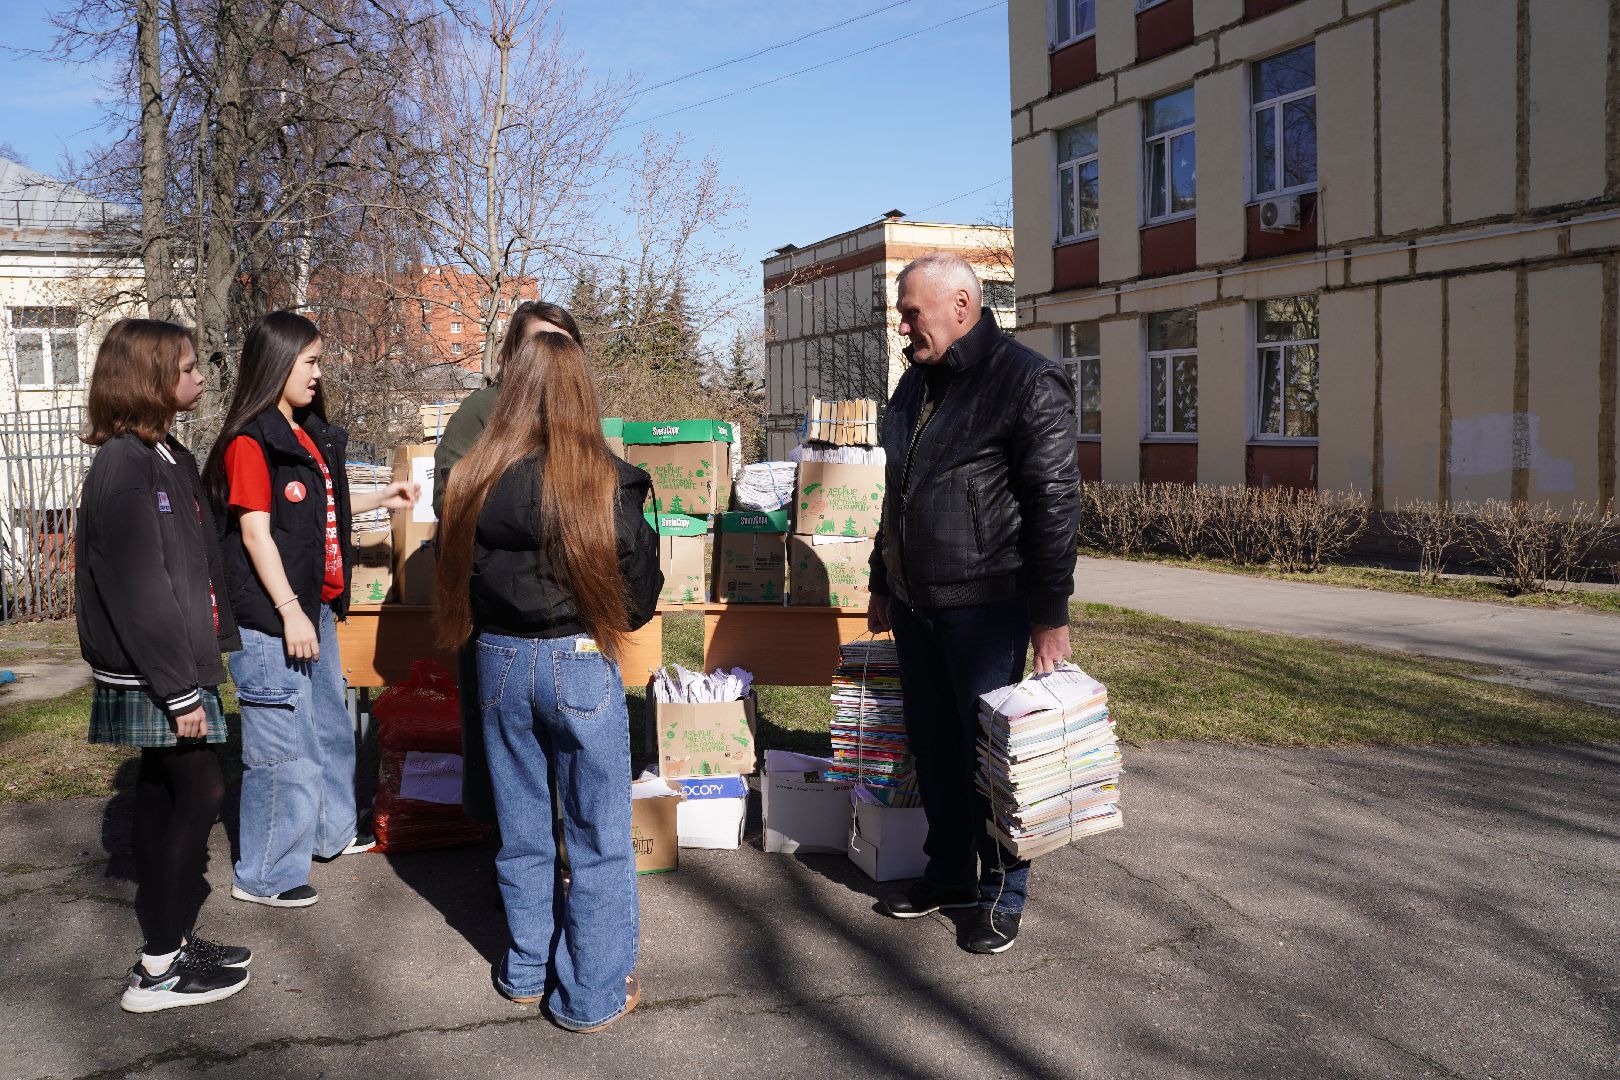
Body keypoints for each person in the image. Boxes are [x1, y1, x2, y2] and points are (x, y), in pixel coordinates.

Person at [434, 331, 660, 1033]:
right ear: (579, 392)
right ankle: (590, 993)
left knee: (524, 830)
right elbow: (639, 596)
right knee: (597, 836)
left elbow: (462, 580)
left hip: (498, 660)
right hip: (577, 661)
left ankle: (527, 970)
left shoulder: (473, 478)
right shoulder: (605, 479)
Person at [866, 253, 1081, 955]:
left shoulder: (1026, 381)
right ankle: (950, 874)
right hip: (916, 601)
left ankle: (1002, 893)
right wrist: (880, 577)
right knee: (935, 750)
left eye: (911, 312)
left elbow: (1055, 505)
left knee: (995, 758)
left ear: (961, 306)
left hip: (987, 606)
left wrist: (1050, 616)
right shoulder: (914, 383)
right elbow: (895, 492)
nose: (903, 325)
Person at [201, 310, 417, 908]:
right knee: (281, 750)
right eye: (311, 362)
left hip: (313, 614)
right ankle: (265, 874)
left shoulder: (301, 432)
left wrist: (381, 496)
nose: (319, 374)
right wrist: (291, 611)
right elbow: (255, 535)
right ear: (278, 364)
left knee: (327, 731)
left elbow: (320, 506)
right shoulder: (250, 440)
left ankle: (327, 835)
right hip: (274, 621)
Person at [76, 318, 254, 1012]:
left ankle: (170, 943)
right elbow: (136, 587)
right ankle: (158, 971)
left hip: (179, 660)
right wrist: (179, 690)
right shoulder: (124, 465)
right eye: (187, 367)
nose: (201, 377)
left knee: (161, 791)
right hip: (158, 670)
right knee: (202, 793)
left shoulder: (167, 453)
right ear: (152, 379)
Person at [433, 301, 584, 829]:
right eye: (536, 344)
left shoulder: (574, 417)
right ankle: (512, 860)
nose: (546, 358)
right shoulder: (481, 412)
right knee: (504, 753)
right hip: (497, 609)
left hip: (569, 613)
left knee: (570, 749)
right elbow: (452, 506)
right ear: (510, 353)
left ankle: (559, 852)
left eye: (561, 346)